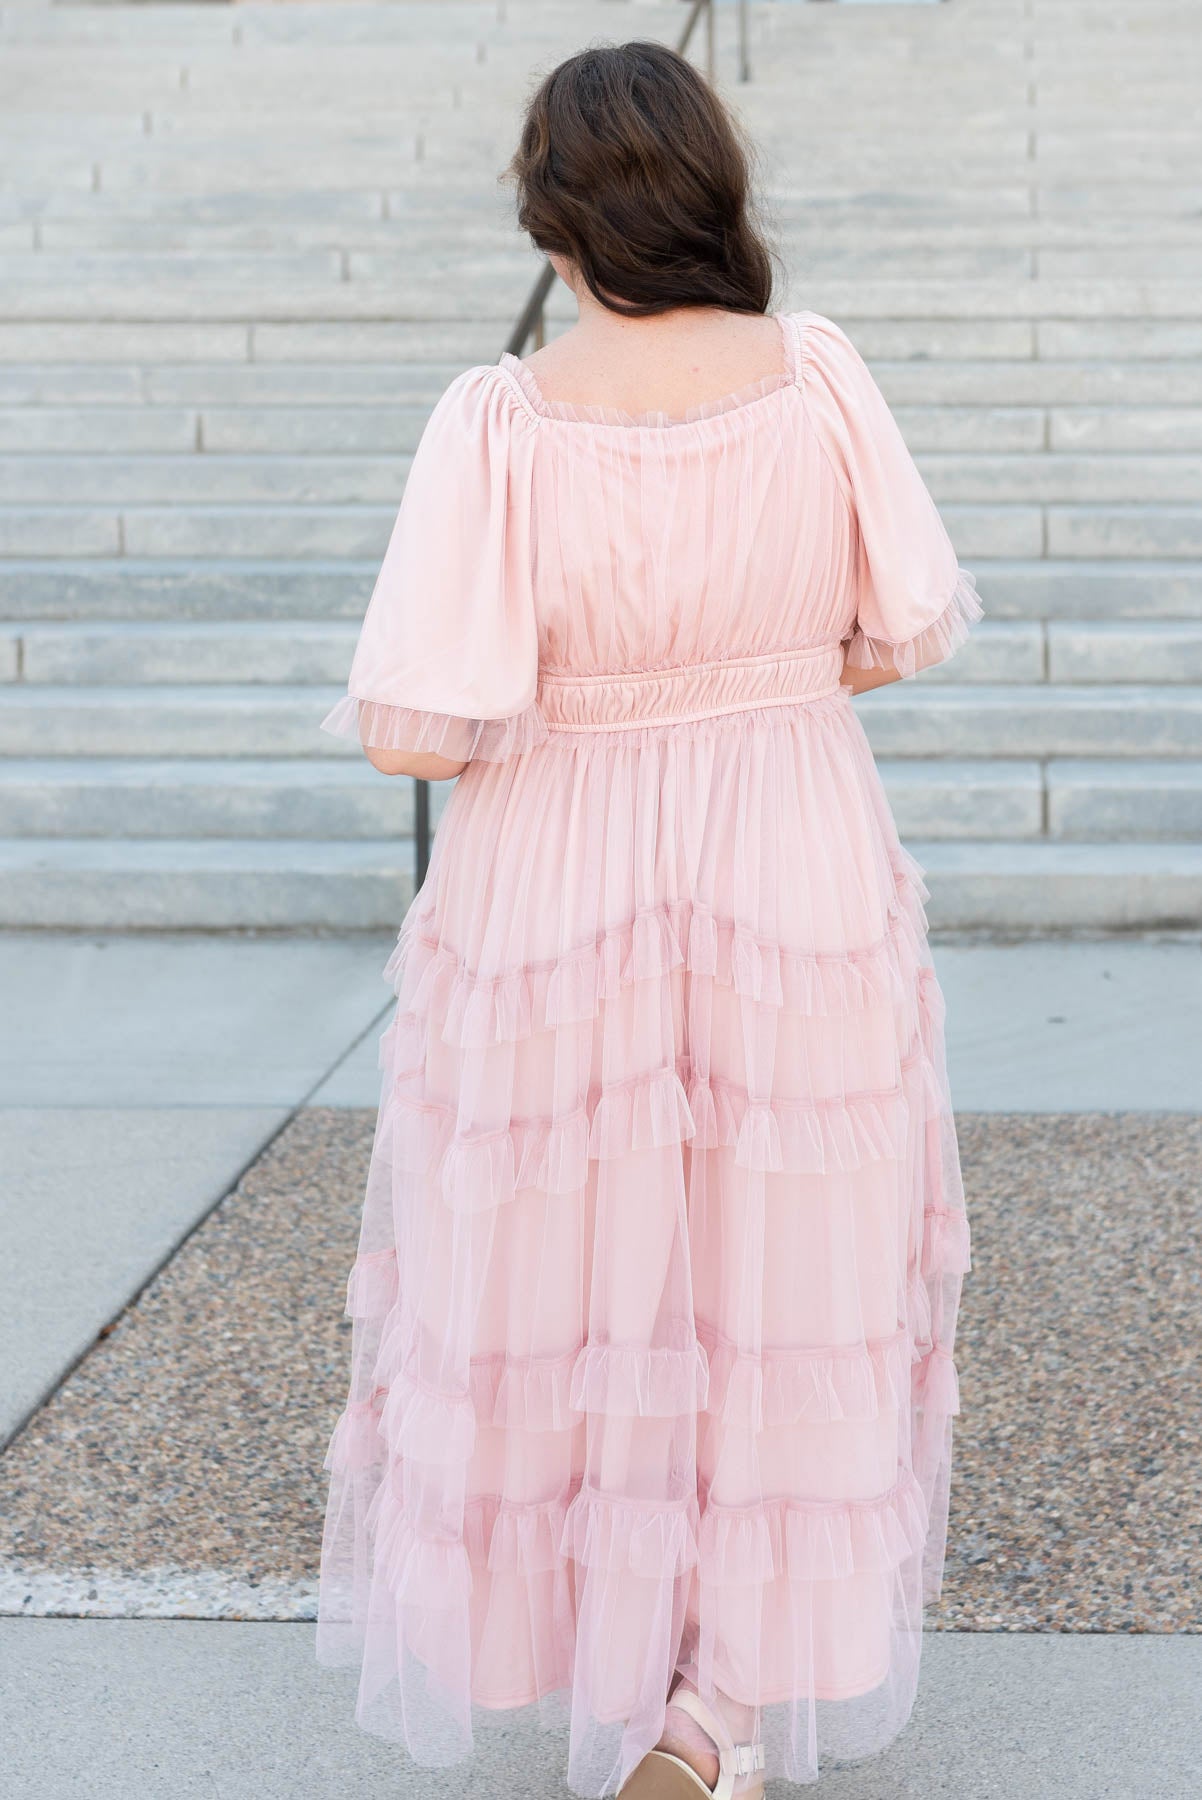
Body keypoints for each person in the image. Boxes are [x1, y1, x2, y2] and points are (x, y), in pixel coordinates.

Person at [315, 39, 978, 1800]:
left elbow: (408, 729)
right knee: (782, 1272)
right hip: (789, 847)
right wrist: (750, 674)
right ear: (708, 188)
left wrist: (587, 692)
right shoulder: (814, 375)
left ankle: (624, 1671)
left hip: (563, 877)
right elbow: (901, 624)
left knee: (582, 1268)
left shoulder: (505, 416)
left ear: (552, 211)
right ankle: (724, 1708)